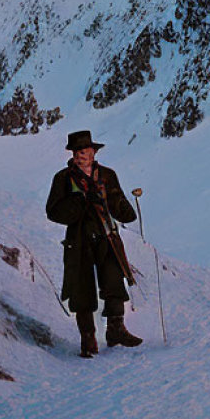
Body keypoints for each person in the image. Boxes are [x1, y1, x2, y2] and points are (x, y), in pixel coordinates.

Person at [46, 130, 142, 358]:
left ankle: (116, 330)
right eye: (77, 152)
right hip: (78, 240)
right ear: (73, 153)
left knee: (114, 280)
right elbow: (53, 211)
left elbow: (122, 210)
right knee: (81, 288)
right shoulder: (63, 179)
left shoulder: (107, 176)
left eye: (85, 151)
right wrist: (79, 203)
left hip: (106, 234)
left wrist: (118, 205)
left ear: (93, 152)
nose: (81, 155)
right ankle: (87, 339)